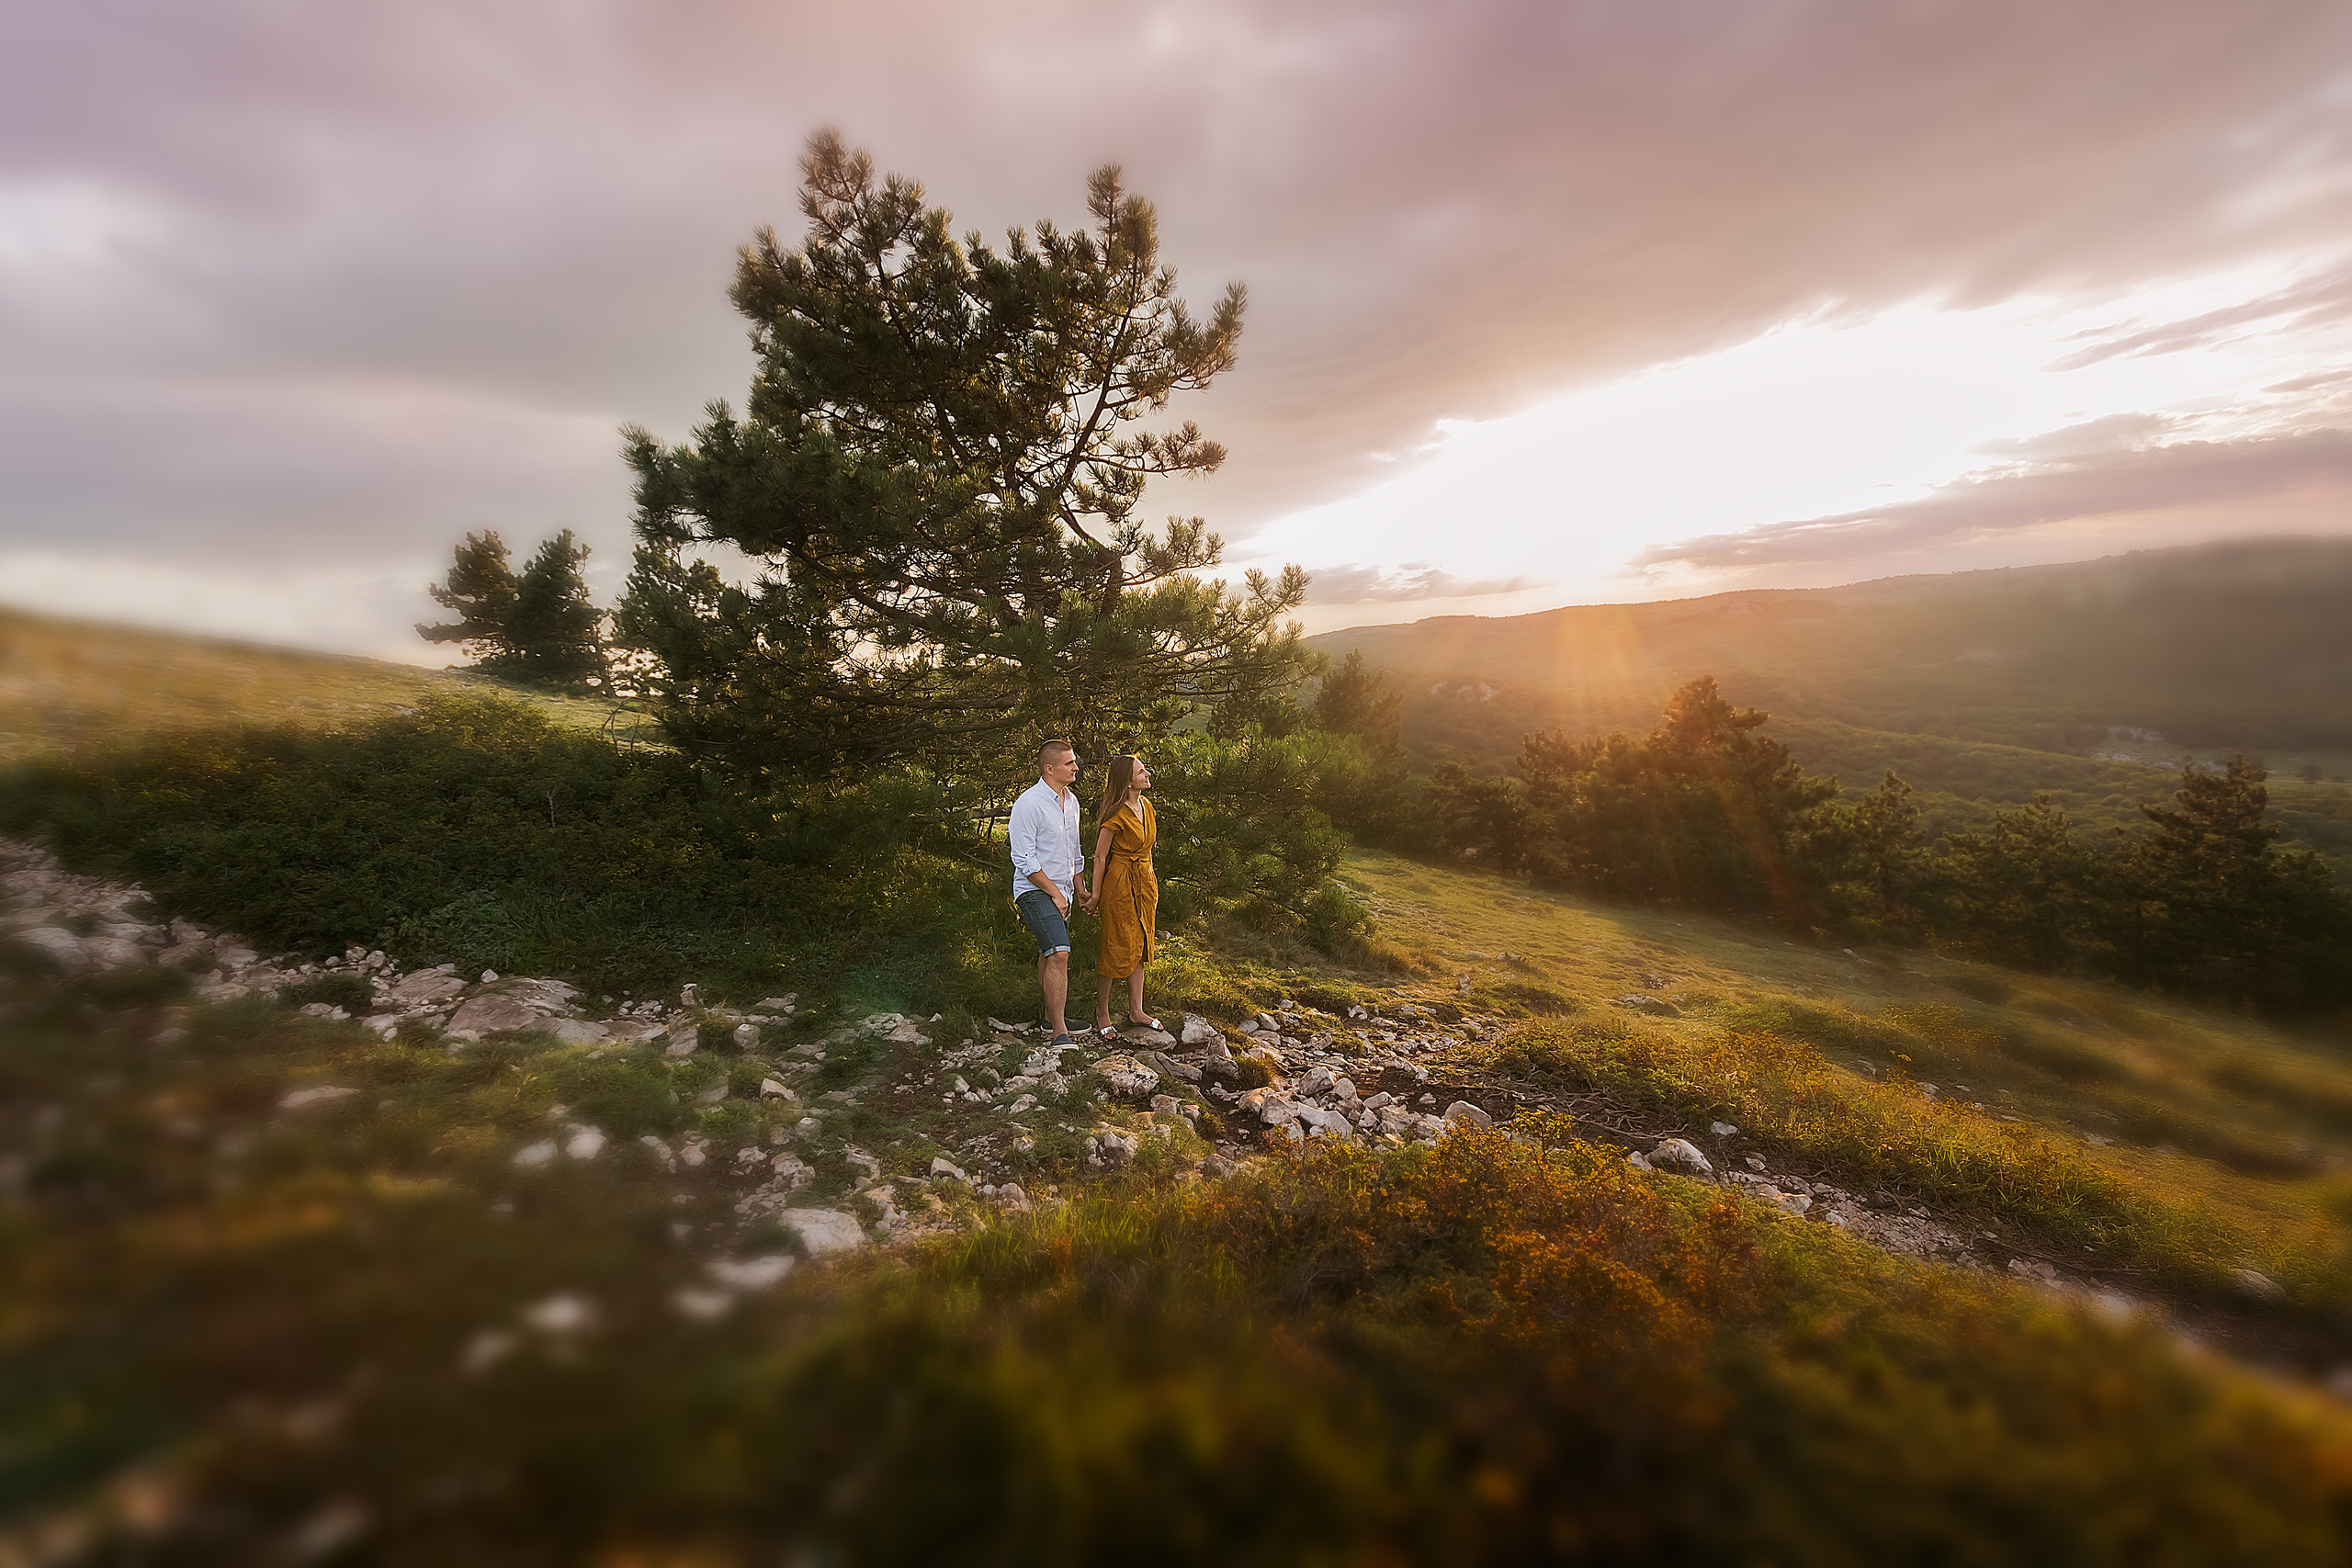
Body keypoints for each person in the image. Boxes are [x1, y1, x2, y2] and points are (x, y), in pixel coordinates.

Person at [1009, 739, 1092, 1045]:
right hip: (1034, 890)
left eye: (1074, 762)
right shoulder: (1028, 804)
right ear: (1049, 768)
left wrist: (1079, 890)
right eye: (1069, 763)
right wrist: (1055, 893)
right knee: (1059, 953)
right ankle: (1059, 1032)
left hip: (1064, 891)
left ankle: (1049, 1017)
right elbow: (1023, 859)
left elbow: (1075, 853)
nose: (1075, 767)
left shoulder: (1071, 802)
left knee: (1049, 951)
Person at [1087, 753, 1160, 1038]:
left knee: (1141, 942)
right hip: (1119, 883)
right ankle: (1102, 1012)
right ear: (1127, 781)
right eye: (1141, 772)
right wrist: (1095, 895)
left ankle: (1136, 1010)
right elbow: (1100, 857)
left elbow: (1149, 850)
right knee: (1115, 945)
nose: (1147, 775)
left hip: (1144, 880)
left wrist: (1152, 885)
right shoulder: (1115, 814)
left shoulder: (1146, 806)